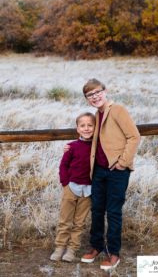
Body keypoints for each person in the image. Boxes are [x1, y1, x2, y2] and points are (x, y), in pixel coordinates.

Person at [79, 78, 141, 271]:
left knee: (113, 212)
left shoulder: (118, 110)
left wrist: (122, 163)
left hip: (117, 171)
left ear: (105, 91)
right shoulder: (96, 115)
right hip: (98, 171)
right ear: (87, 99)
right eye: (90, 95)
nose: (95, 97)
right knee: (97, 210)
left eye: (97, 92)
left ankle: (113, 253)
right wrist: (72, 146)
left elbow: (134, 136)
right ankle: (96, 246)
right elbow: (95, 139)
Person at [50, 112, 95, 262]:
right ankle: (60, 247)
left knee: (79, 222)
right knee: (65, 220)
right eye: (83, 125)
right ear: (77, 128)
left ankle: (72, 249)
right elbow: (63, 165)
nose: (86, 128)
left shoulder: (98, 147)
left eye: (90, 125)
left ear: (95, 128)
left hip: (88, 190)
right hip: (71, 187)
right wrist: (65, 183)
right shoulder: (72, 146)